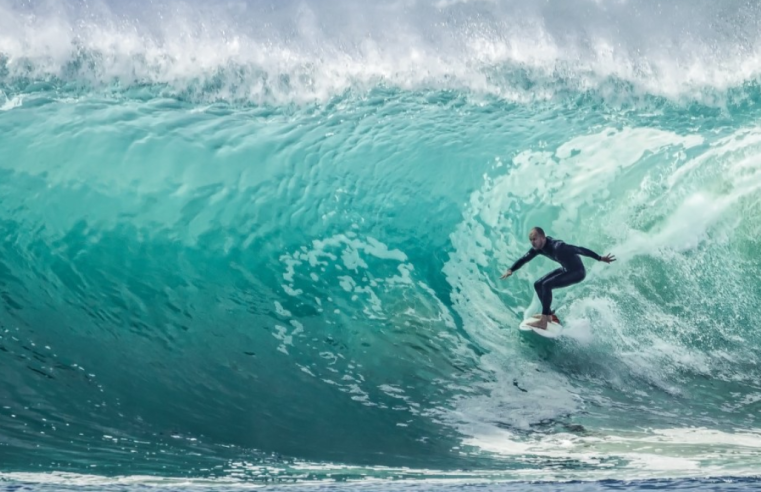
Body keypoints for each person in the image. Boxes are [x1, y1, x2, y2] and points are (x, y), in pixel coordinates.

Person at [501, 227, 615, 330]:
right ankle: (549, 315)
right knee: (538, 284)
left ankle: (544, 320)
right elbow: (525, 258)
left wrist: (600, 258)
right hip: (566, 269)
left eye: (534, 239)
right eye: (531, 240)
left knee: (546, 285)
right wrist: (511, 269)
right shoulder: (538, 248)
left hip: (577, 272)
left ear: (542, 238)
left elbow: (580, 249)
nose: (532, 243)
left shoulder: (558, 246)